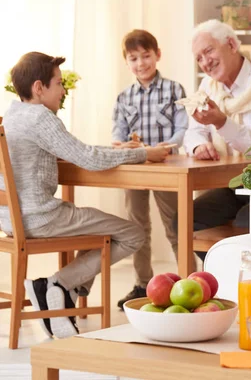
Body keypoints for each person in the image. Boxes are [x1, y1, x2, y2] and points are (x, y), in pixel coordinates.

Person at [0, 51, 170, 339]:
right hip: (41, 218)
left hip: (11, 219)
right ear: (39, 88)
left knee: (98, 229)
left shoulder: (14, 115)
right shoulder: (41, 118)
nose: (63, 90)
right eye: (58, 83)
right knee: (132, 233)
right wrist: (144, 153)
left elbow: (79, 152)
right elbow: (88, 159)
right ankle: (56, 285)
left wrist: (118, 151)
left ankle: (59, 290)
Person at [177, 19, 251, 263]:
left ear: (230, 44)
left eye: (208, 51)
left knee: (244, 221)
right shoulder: (209, 85)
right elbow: (194, 130)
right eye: (198, 58)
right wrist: (199, 145)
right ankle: (224, 276)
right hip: (231, 183)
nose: (205, 62)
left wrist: (221, 122)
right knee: (186, 219)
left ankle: (247, 280)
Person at [112, 29, 190, 309]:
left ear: (157, 55)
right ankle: (142, 283)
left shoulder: (174, 89)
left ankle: (189, 281)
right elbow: (118, 133)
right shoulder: (124, 97)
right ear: (126, 62)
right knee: (136, 226)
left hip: (168, 168)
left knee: (176, 225)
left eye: (146, 56)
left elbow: (183, 127)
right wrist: (122, 145)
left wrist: (166, 148)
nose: (141, 63)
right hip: (133, 169)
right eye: (134, 58)